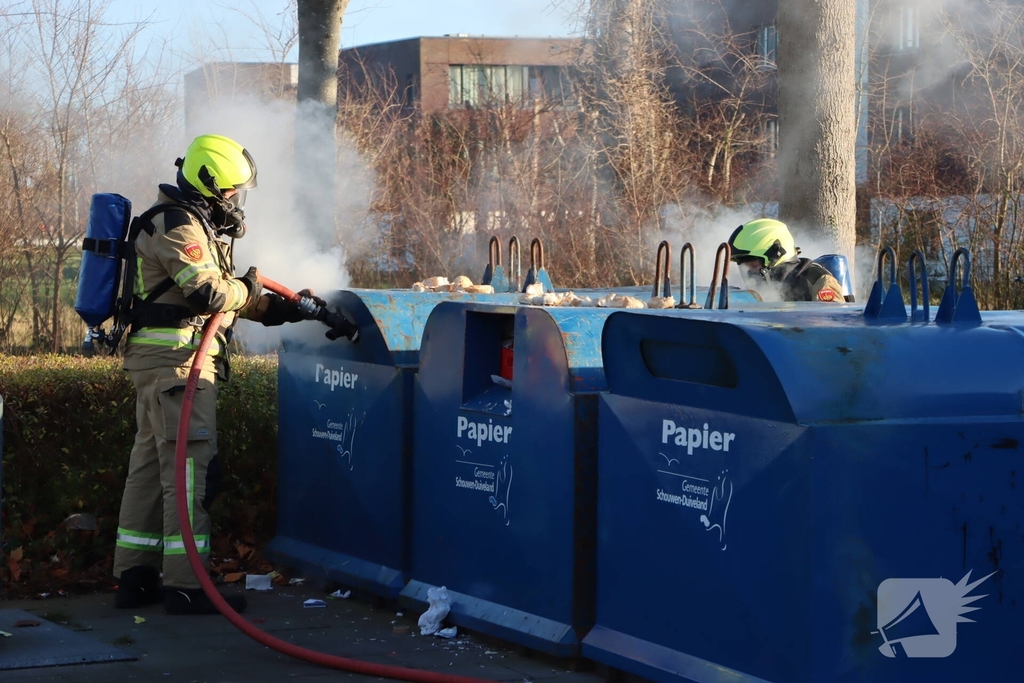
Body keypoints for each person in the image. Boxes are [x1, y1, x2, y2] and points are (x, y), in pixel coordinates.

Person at [113, 134, 318, 615]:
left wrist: (287, 309)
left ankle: (134, 577)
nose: (234, 200)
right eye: (230, 191)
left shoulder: (187, 221)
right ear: (208, 184)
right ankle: (187, 586)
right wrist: (249, 286)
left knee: (149, 471)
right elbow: (210, 295)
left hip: (162, 365)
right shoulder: (177, 225)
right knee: (189, 476)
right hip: (178, 367)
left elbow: (224, 297)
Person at [727, 218, 845, 302]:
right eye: (744, 268)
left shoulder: (819, 281)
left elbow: (833, 326)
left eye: (753, 265)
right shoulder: (760, 290)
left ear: (776, 256)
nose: (750, 273)